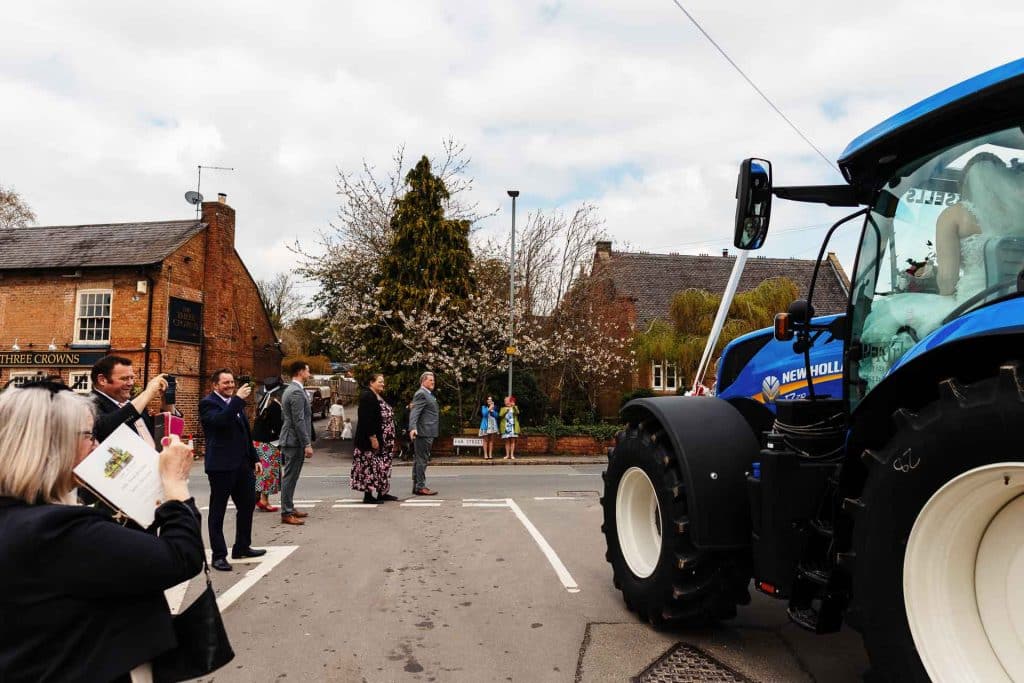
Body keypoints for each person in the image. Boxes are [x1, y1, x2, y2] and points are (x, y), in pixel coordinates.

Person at [0, 380, 204, 682]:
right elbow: (179, 556)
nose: (96, 445)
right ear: (54, 443)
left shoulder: (20, 518)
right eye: (88, 435)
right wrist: (175, 484)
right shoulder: (58, 531)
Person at [859, 153, 1024, 388]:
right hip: (1012, 300)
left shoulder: (954, 215)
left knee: (888, 314)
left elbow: (947, 281)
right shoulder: (1018, 215)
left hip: (974, 303)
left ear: (965, 181)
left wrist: (938, 285)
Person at [200, 369, 266, 571]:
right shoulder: (208, 404)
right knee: (217, 511)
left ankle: (242, 546)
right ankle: (219, 555)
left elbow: (245, 433)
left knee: (247, 505)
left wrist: (255, 458)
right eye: (225, 383)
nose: (230, 385)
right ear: (215, 385)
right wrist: (237, 400)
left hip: (242, 465)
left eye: (231, 382)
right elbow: (220, 422)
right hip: (220, 467)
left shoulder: (236, 404)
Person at [351, 373, 400, 504]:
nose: (383, 384)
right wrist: (373, 438)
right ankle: (368, 495)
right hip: (371, 439)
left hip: (384, 438)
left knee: (382, 466)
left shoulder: (378, 395)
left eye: (383, 381)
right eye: (380, 381)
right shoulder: (367, 396)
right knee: (370, 466)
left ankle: (382, 492)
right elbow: (366, 419)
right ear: (371, 382)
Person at [279, 361, 314, 525]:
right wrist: (306, 443)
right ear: (300, 372)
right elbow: (298, 420)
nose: (310, 373)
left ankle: (289, 507)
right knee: (290, 477)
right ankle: (286, 512)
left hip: (292, 439)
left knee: (292, 476)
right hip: (294, 441)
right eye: (308, 370)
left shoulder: (292, 390)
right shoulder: (295, 392)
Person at [252, 376, 284, 513]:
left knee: (259, 472)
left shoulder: (262, 402)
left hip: (256, 441)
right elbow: (278, 427)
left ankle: (256, 498)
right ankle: (265, 501)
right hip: (269, 443)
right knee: (268, 473)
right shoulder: (275, 406)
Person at [408, 371, 439, 496]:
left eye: (433, 380)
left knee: (419, 459)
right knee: (422, 460)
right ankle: (420, 486)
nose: (433, 382)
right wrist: (413, 428)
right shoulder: (421, 394)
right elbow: (415, 412)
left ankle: (417, 485)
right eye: (430, 380)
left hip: (427, 431)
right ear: (423, 381)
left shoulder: (427, 394)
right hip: (424, 432)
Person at [499, 395, 521, 460]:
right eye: (505, 401)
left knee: (513, 441)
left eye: (507, 400)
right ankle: (507, 455)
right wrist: (506, 410)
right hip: (506, 427)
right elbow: (500, 415)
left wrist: (513, 406)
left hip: (512, 427)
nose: (506, 402)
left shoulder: (514, 407)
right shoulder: (503, 408)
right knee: (507, 442)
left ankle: (512, 455)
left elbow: (517, 412)